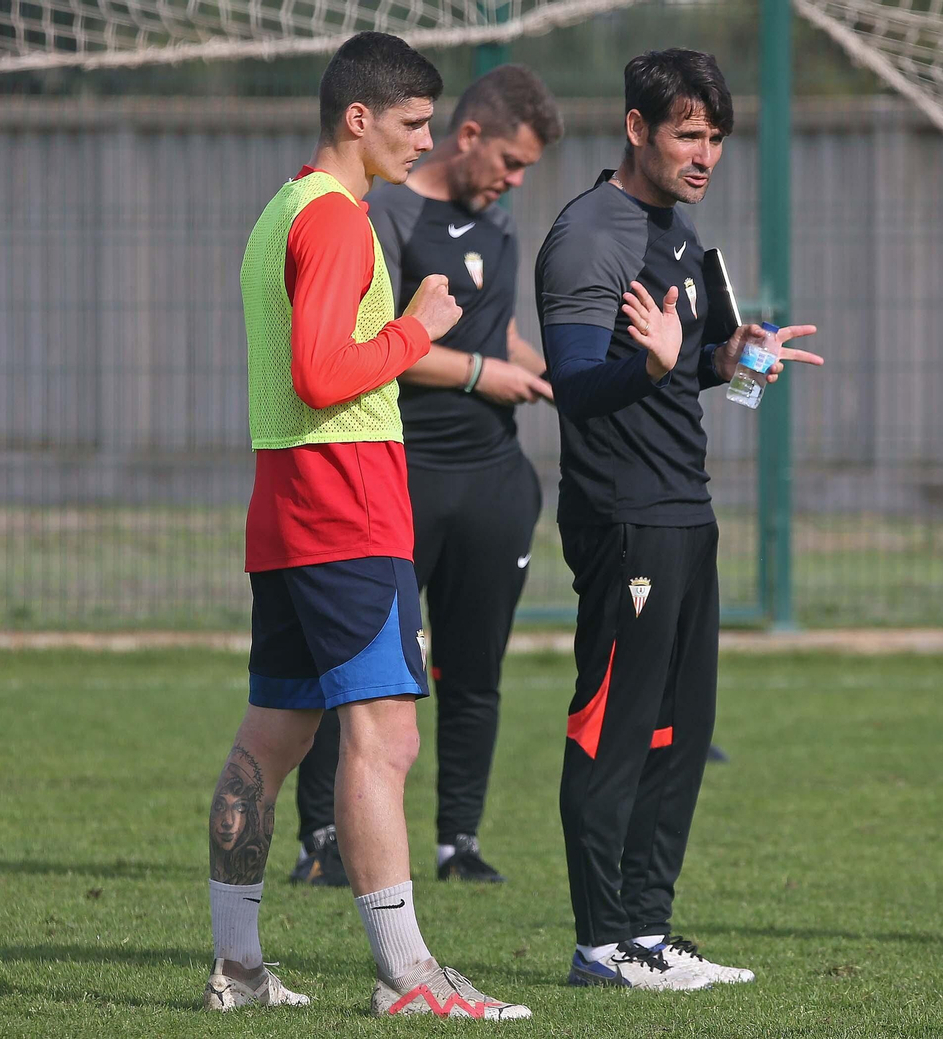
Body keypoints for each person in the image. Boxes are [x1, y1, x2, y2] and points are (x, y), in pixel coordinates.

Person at [201, 30, 530, 1020]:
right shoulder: (340, 219)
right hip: (346, 506)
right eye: (412, 125)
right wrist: (416, 331)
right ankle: (408, 975)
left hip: (289, 507)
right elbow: (321, 372)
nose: (425, 145)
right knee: (385, 739)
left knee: (269, 743)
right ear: (359, 118)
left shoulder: (281, 210)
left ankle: (239, 966)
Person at [533, 48, 822, 991]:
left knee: (680, 730)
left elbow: (689, 364)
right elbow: (576, 387)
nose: (705, 155)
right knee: (614, 727)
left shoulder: (681, 235)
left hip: (685, 512)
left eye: (716, 138)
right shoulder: (587, 237)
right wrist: (655, 367)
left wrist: (741, 356)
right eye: (687, 135)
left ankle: (650, 933)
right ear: (636, 129)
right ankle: (601, 942)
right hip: (624, 519)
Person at [288, 64, 561, 889]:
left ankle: (460, 841)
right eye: (510, 162)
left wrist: (556, 374)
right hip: (403, 473)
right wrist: (481, 373)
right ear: (468, 135)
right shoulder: (384, 214)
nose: (515, 182)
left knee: (475, 669)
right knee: (363, 671)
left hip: (494, 479)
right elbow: (388, 345)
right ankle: (323, 839)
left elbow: (498, 333)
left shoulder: (501, 224)